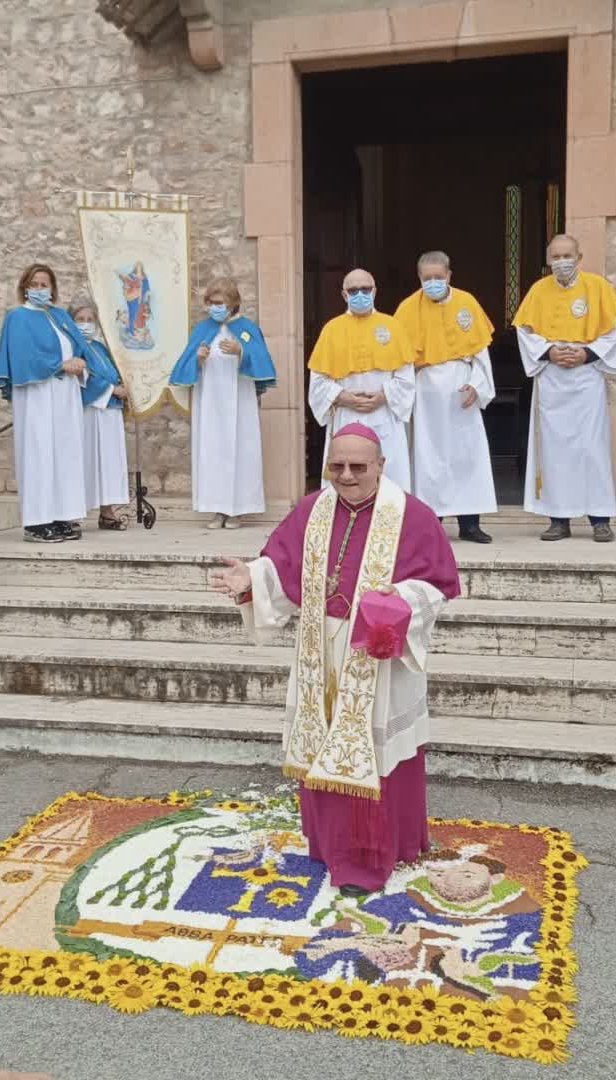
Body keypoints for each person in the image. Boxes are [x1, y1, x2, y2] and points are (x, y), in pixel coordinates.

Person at [207, 423, 461, 895]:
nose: (345, 476)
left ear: (381, 465)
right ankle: (330, 848)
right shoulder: (312, 509)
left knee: (374, 755)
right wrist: (250, 578)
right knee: (324, 745)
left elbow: (438, 586)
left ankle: (370, 860)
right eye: (336, 466)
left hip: (378, 655)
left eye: (358, 467)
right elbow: (280, 568)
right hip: (319, 649)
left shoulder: (412, 515)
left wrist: (399, 603)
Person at [513, 233, 616, 542]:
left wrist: (586, 353)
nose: (562, 262)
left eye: (567, 256)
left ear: (579, 257)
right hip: (552, 378)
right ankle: (558, 520)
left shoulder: (598, 287)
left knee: (592, 448)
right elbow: (525, 330)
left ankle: (600, 519)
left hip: (586, 378)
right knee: (554, 450)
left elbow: (612, 329)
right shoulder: (538, 290)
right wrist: (548, 351)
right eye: (556, 257)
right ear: (549, 261)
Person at [394, 251, 498, 543]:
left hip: (461, 386)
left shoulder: (467, 303)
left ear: (449, 275)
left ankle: (470, 524)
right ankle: (432, 522)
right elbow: (400, 360)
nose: (433, 283)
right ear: (419, 278)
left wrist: (478, 385)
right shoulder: (407, 308)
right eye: (427, 279)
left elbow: (480, 353)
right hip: (425, 390)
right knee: (429, 456)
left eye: (439, 277)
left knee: (467, 455)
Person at [168, 278, 275, 529]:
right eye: (212, 302)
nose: (216, 307)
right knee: (213, 453)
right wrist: (198, 358)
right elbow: (183, 366)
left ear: (233, 303)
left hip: (240, 402)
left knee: (241, 451)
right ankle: (217, 510)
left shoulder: (247, 328)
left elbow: (262, 360)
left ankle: (237, 511)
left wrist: (242, 351)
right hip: (210, 402)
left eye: (221, 302)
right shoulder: (202, 329)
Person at [0, 264, 90, 544]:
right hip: (37, 394)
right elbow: (23, 357)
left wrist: (80, 362)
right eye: (34, 284)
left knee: (65, 452)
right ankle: (37, 522)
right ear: (25, 287)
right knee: (39, 452)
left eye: (44, 284)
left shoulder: (60, 315)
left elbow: (80, 348)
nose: (39, 289)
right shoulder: (18, 318)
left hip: (65, 395)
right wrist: (60, 364)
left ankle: (62, 515)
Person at [308, 268, 416, 490]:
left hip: (384, 414)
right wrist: (343, 397)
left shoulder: (393, 326)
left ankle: (388, 523)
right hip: (346, 414)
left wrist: (383, 396)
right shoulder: (332, 329)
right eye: (353, 290)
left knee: (389, 477)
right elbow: (318, 381)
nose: (360, 294)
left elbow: (406, 377)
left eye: (365, 289)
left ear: (374, 291)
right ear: (344, 295)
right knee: (346, 474)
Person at [69, 300, 133, 531]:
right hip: (88, 410)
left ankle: (107, 512)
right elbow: (83, 378)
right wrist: (111, 390)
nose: (86, 325)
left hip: (109, 412)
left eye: (90, 320)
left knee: (109, 462)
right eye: (80, 320)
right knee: (85, 460)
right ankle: (73, 514)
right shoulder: (73, 347)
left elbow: (112, 372)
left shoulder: (100, 348)